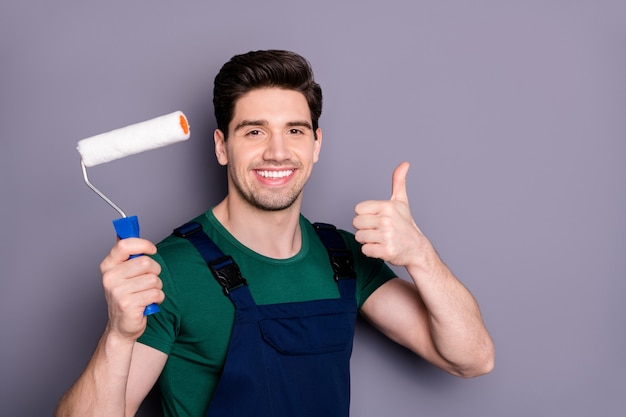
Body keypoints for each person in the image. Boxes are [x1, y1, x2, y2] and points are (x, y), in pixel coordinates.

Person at [55, 49, 494, 417]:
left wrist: (420, 255)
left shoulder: (343, 255)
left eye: (295, 131)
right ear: (222, 146)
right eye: (255, 131)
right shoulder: (166, 271)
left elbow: (472, 359)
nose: (278, 152)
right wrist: (118, 335)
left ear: (316, 144)